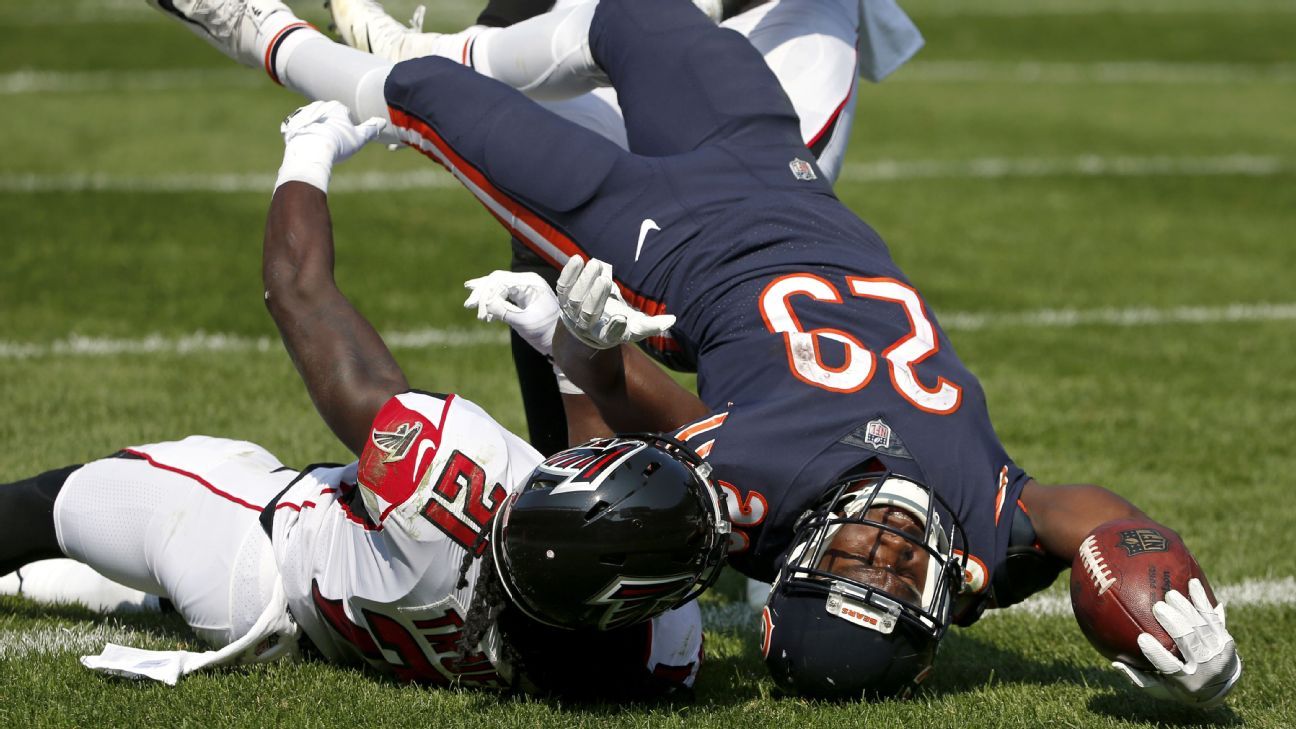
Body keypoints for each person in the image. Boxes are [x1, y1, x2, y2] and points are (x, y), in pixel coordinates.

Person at [145, 0, 1241, 705]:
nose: (884, 539)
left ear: (804, 569)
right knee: (633, 12)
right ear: (945, 594)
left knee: (429, 108)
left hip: (653, 235)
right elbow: (1082, 515)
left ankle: (260, 35)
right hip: (780, 175)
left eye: (854, 561)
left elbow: (636, 427)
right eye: (898, 573)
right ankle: (443, 44)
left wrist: (580, 336)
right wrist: (1147, 584)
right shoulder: (989, 531)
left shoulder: (749, 502)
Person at [0, 99, 730, 697]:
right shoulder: (655, 656)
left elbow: (298, 295)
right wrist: (573, 357)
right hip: (325, 618)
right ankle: (75, 584)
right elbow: (586, 533)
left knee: (45, 505)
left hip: (247, 548)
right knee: (76, 573)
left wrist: (310, 147)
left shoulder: (448, 478)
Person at [327, 0, 923, 456]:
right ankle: (574, 475)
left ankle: (770, 492)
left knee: (762, 237)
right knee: (549, 212)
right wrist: (485, 44)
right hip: (640, 27)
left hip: (782, 25)